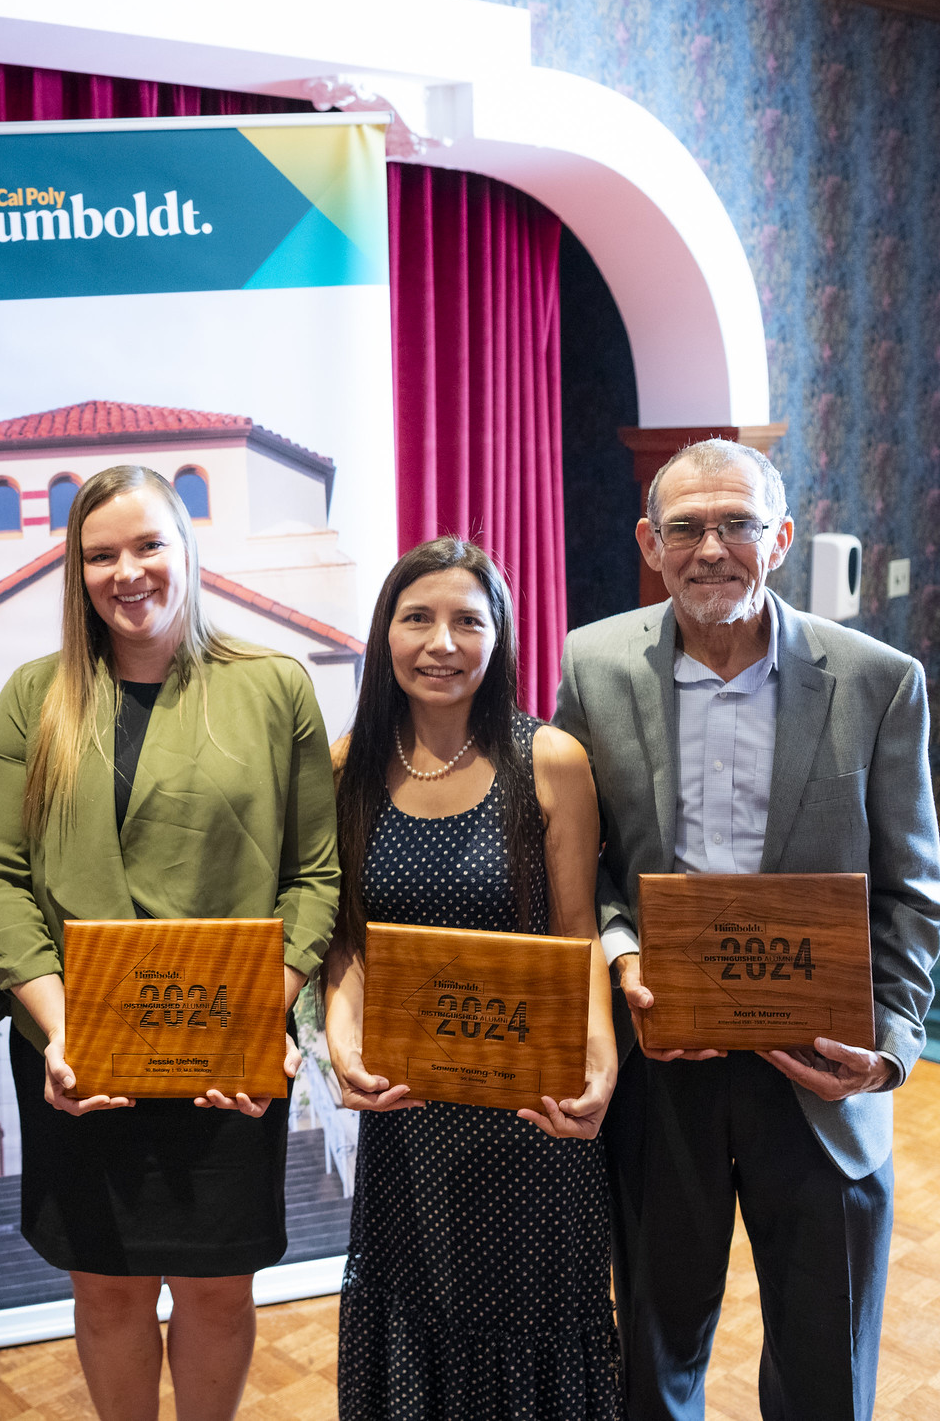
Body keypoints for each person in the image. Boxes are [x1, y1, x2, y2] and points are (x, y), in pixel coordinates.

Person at [554, 438, 940, 1419]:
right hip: (660, 1066)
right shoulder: (590, 665)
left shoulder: (876, 682)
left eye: (735, 524)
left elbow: (910, 892)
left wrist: (888, 1049)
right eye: (683, 528)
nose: (709, 548)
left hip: (818, 1079)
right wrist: (620, 950)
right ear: (649, 543)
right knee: (650, 1360)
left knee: (823, 1375)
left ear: (777, 537)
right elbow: (578, 858)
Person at [0, 463, 339, 1421]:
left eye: (146, 545)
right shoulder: (30, 698)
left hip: (229, 1053)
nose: (125, 571)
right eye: (99, 554)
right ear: (75, 570)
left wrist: (263, 1017)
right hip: (78, 1056)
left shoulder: (273, 687)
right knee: (108, 1287)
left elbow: (316, 877)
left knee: (220, 1288)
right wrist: (62, 1032)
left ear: (187, 550)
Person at [321, 537, 620, 1418]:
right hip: (408, 1114)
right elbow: (348, 945)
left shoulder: (551, 761)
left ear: (500, 640)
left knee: (536, 1330)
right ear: (385, 635)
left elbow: (576, 935)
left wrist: (598, 1061)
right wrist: (342, 1043)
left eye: (467, 620)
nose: (441, 642)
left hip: (532, 1116)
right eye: (417, 618)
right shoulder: (347, 771)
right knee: (415, 1323)